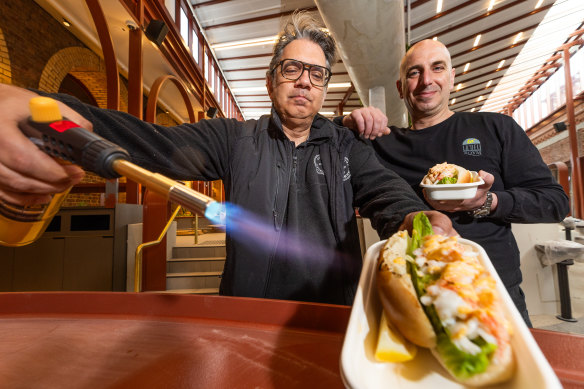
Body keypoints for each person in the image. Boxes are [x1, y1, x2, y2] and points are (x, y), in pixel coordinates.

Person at [0, 14, 454, 305]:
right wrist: (39, 108)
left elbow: (385, 191)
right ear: (271, 79)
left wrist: (418, 219)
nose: (304, 82)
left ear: (324, 87)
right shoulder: (233, 139)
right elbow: (147, 140)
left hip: (331, 317)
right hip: (244, 311)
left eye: (316, 74)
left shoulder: (344, 146)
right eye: (292, 69)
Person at [337, 39, 570, 324]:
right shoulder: (383, 143)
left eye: (437, 68)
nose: (426, 81)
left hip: (492, 290)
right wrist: (348, 121)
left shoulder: (496, 127)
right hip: (416, 294)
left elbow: (554, 202)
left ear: (451, 77)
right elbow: (319, 136)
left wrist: (488, 202)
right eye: (414, 72)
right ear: (400, 88)